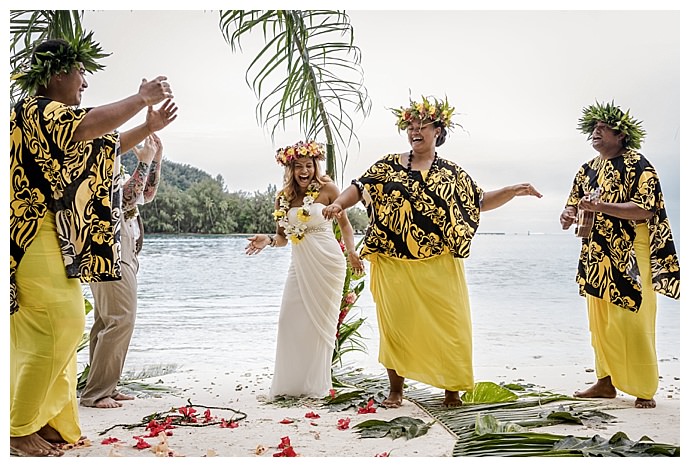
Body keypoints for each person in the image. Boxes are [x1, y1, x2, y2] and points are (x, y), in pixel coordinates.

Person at [9, 37, 177, 456]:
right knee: (58, 324)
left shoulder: (52, 120)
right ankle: (16, 427)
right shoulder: (33, 110)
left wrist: (148, 128)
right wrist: (140, 99)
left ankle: (45, 420)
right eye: (81, 73)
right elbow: (86, 127)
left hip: (47, 232)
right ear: (58, 73)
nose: (85, 82)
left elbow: (99, 146)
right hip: (26, 232)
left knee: (61, 326)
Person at [322, 95, 542, 408]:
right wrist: (338, 203)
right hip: (393, 262)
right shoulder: (387, 165)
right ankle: (396, 391)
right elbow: (360, 187)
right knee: (396, 326)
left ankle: (451, 390)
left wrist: (511, 191)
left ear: (438, 131)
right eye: (411, 125)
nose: (416, 130)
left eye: (423, 125)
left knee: (451, 326)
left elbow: (477, 202)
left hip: (439, 263)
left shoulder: (452, 173)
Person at [559, 100, 680, 409]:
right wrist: (568, 213)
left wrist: (601, 207)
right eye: (593, 128)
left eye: (602, 128)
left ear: (621, 135)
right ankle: (605, 382)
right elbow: (573, 201)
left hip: (630, 255)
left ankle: (643, 388)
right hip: (596, 255)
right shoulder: (587, 168)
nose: (595, 132)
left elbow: (644, 208)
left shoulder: (639, 164)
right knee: (599, 323)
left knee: (631, 320)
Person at [245, 140, 364, 400]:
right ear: (290, 168)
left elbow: (345, 226)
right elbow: (282, 238)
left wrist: (352, 251)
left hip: (329, 262)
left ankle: (315, 387)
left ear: (315, 166)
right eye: (298, 166)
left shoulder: (329, 189)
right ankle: (289, 386)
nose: (304, 171)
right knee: (288, 320)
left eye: (308, 166)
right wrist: (267, 240)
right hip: (299, 263)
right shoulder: (282, 198)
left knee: (319, 325)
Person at [80, 134, 165, 409]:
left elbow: (145, 195)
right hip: (108, 250)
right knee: (121, 319)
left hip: (122, 250)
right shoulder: (91, 169)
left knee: (107, 321)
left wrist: (156, 161)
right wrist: (145, 161)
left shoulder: (114, 167)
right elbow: (125, 199)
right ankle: (96, 393)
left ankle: (104, 386)